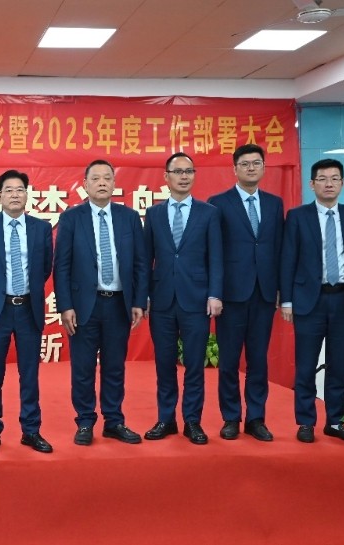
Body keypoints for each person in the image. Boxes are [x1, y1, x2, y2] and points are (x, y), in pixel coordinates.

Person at [54, 159, 148, 447]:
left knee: (114, 366)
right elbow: (62, 266)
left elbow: (141, 263)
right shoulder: (72, 218)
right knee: (83, 368)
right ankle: (85, 421)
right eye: (95, 178)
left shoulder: (129, 217)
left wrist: (138, 300)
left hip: (119, 303)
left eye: (107, 177)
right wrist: (65, 306)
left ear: (115, 183)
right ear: (85, 185)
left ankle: (114, 421)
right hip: (85, 305)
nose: (102, 182)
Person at [281, 158, 344, 443]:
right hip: (309, 301)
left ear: (342, 183)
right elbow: (287, 260)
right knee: (306, 365)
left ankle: (335, 421)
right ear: (312, 184)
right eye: (322, 179)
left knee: (339, 365)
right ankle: (305, 422)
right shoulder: (298, 216)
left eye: (334, 178)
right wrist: (287, 301)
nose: (329, 184)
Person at [0, 170, 54, 454]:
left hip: (29, 308)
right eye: (9, 190)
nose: (15, 195)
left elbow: (45, 268)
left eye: (20, 190)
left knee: (29, 374)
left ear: (27, 195)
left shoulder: (41, 228)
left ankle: (31, 430)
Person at [143, 152, 223, 445]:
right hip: (162, 300)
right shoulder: (154, 214)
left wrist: (215, 294)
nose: (183, 176)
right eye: (177, 172)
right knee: (164, 364)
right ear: (166, 177)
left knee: (194, 364)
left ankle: (192, 420)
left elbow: (216, 257)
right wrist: (144, 296)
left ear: (194, 176)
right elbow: (145, 259)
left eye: (188, 171)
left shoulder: (209, 213)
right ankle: (166, 419)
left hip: (197, 299)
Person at [207, 144, 283, 442]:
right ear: (235, 169)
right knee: (228, 361)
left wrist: (281, 289)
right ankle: (230, 417)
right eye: (245, 164)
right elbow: (214, 251)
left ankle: (256, 418)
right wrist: (215, 292)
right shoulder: (218, 203)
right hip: (231, 295)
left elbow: (280, 249)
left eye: (256, 163)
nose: (251, 168)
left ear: (263, 167)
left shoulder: (274, 204)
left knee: (258, 360)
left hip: (264, 293)